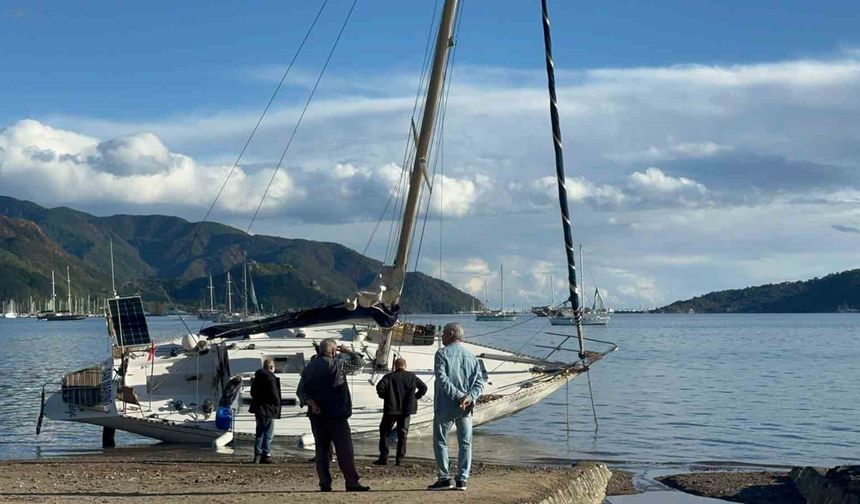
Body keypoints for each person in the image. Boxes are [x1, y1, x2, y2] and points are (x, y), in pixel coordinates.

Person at [297, 338, 370, 492]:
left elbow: (301, 391)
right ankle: (351, 482)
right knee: (344, 450)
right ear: (332, 350)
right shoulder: (337, 365)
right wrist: (347, 351)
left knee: (322, 450)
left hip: (317, 415)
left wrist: (311, 403)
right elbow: (358, 363)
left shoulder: (309, 368)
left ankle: (325, 482)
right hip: (336, 414)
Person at [427, 322, 485, 492]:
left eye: (444, 333)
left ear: (452, 334)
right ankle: (462, 480)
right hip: (466, 407)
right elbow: (480, 382)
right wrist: (469, 397)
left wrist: (459, 396)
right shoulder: (471, 356)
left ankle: (444, 477)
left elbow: (442, 378)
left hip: (445, 405)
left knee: (440, 441)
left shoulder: (442, 354)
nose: (441, 336)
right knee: (465, 443)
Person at [373, 356, 427, 466]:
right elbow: (423, 387)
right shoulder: (412, 376)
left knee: (385, 432)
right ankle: (399, 459)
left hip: (391, 409)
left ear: (395, 366)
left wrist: (385, 396)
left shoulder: (389, 377)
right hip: (406, 410)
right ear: (405, 366)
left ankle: (384, 457)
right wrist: (415, 397)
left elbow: (380, 387)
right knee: (402, 434)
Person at [249, 358, 281, 464]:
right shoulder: (270, 378)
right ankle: (266, 454)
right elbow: (274, 393)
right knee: (268, 432)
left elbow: (252, 393)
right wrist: (277, 403)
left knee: (259, 431)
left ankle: (257, 455)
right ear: (271, 367)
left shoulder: (257, 377)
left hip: (258, 407)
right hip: (268, 408)